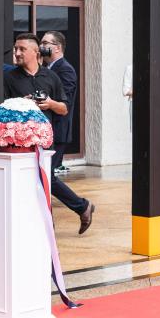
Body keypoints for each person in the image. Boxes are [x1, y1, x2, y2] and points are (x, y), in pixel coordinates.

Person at [4, 34, 86, 230]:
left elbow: (65, 107)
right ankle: (75, 210)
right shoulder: (9, 77)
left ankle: (50, 225)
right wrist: (22, 104)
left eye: (22, 49)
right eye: (16, 49)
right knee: (32, 183)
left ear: (35, 52)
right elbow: (3, 109)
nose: (16, 53)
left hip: (47, 140)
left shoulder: (53, 76)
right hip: (20, 144)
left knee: (45, 180)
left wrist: (50, 103)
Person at [40, 30, 94, 233]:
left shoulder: (66, 70)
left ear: (57, 47)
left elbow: (65, 102)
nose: (42, 45)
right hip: (46, 131)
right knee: (44, 176)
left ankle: (82, 206)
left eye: (46, 43)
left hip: (59, 132)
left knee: (48, 177)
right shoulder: (47, 67)